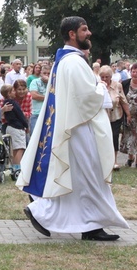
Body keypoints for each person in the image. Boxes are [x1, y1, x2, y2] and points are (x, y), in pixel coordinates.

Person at [18, 16, 128, 242]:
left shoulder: (67, 61)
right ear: (72, 34)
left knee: (78, 180)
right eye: (84, 30)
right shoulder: (73, 63)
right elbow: (86, 97)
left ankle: (88, 226)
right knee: (89, 177)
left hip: (75, 127)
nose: (89, 33)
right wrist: (100, 87)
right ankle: (46, 212)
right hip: (79, 130)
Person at [99, 65, 130, 170]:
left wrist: (128, 115)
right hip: (102, 117)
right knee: (103, 138)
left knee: (114, 137)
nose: (104, 79)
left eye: (106, 77)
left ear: (110, 76)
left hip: (116, 115)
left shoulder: (117, 85)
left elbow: (123, 101)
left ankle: (114, 161)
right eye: (102, 77)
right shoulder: (97, 86)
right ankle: (103, 161)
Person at [1, 84, 28, 175]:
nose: (15, 92)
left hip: (10, 127)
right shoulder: (13, 103)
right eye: (13, 91)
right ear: (9, 93)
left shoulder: (5, 103)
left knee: (14, 149)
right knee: (20, 148)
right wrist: (26, 125)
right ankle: (17, 169)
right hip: (17, 127)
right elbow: (20, 115)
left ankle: (14, 167)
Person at [28, 64, 50, 132]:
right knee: (35, 136)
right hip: (37, 113)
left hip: (49, 113)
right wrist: (49, 98)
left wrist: (49, 81)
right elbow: (34, 96)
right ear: (41, 73)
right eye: (44, 73)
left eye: (49, 73)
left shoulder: (54, 82)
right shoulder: (35, 81)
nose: (46, 75)